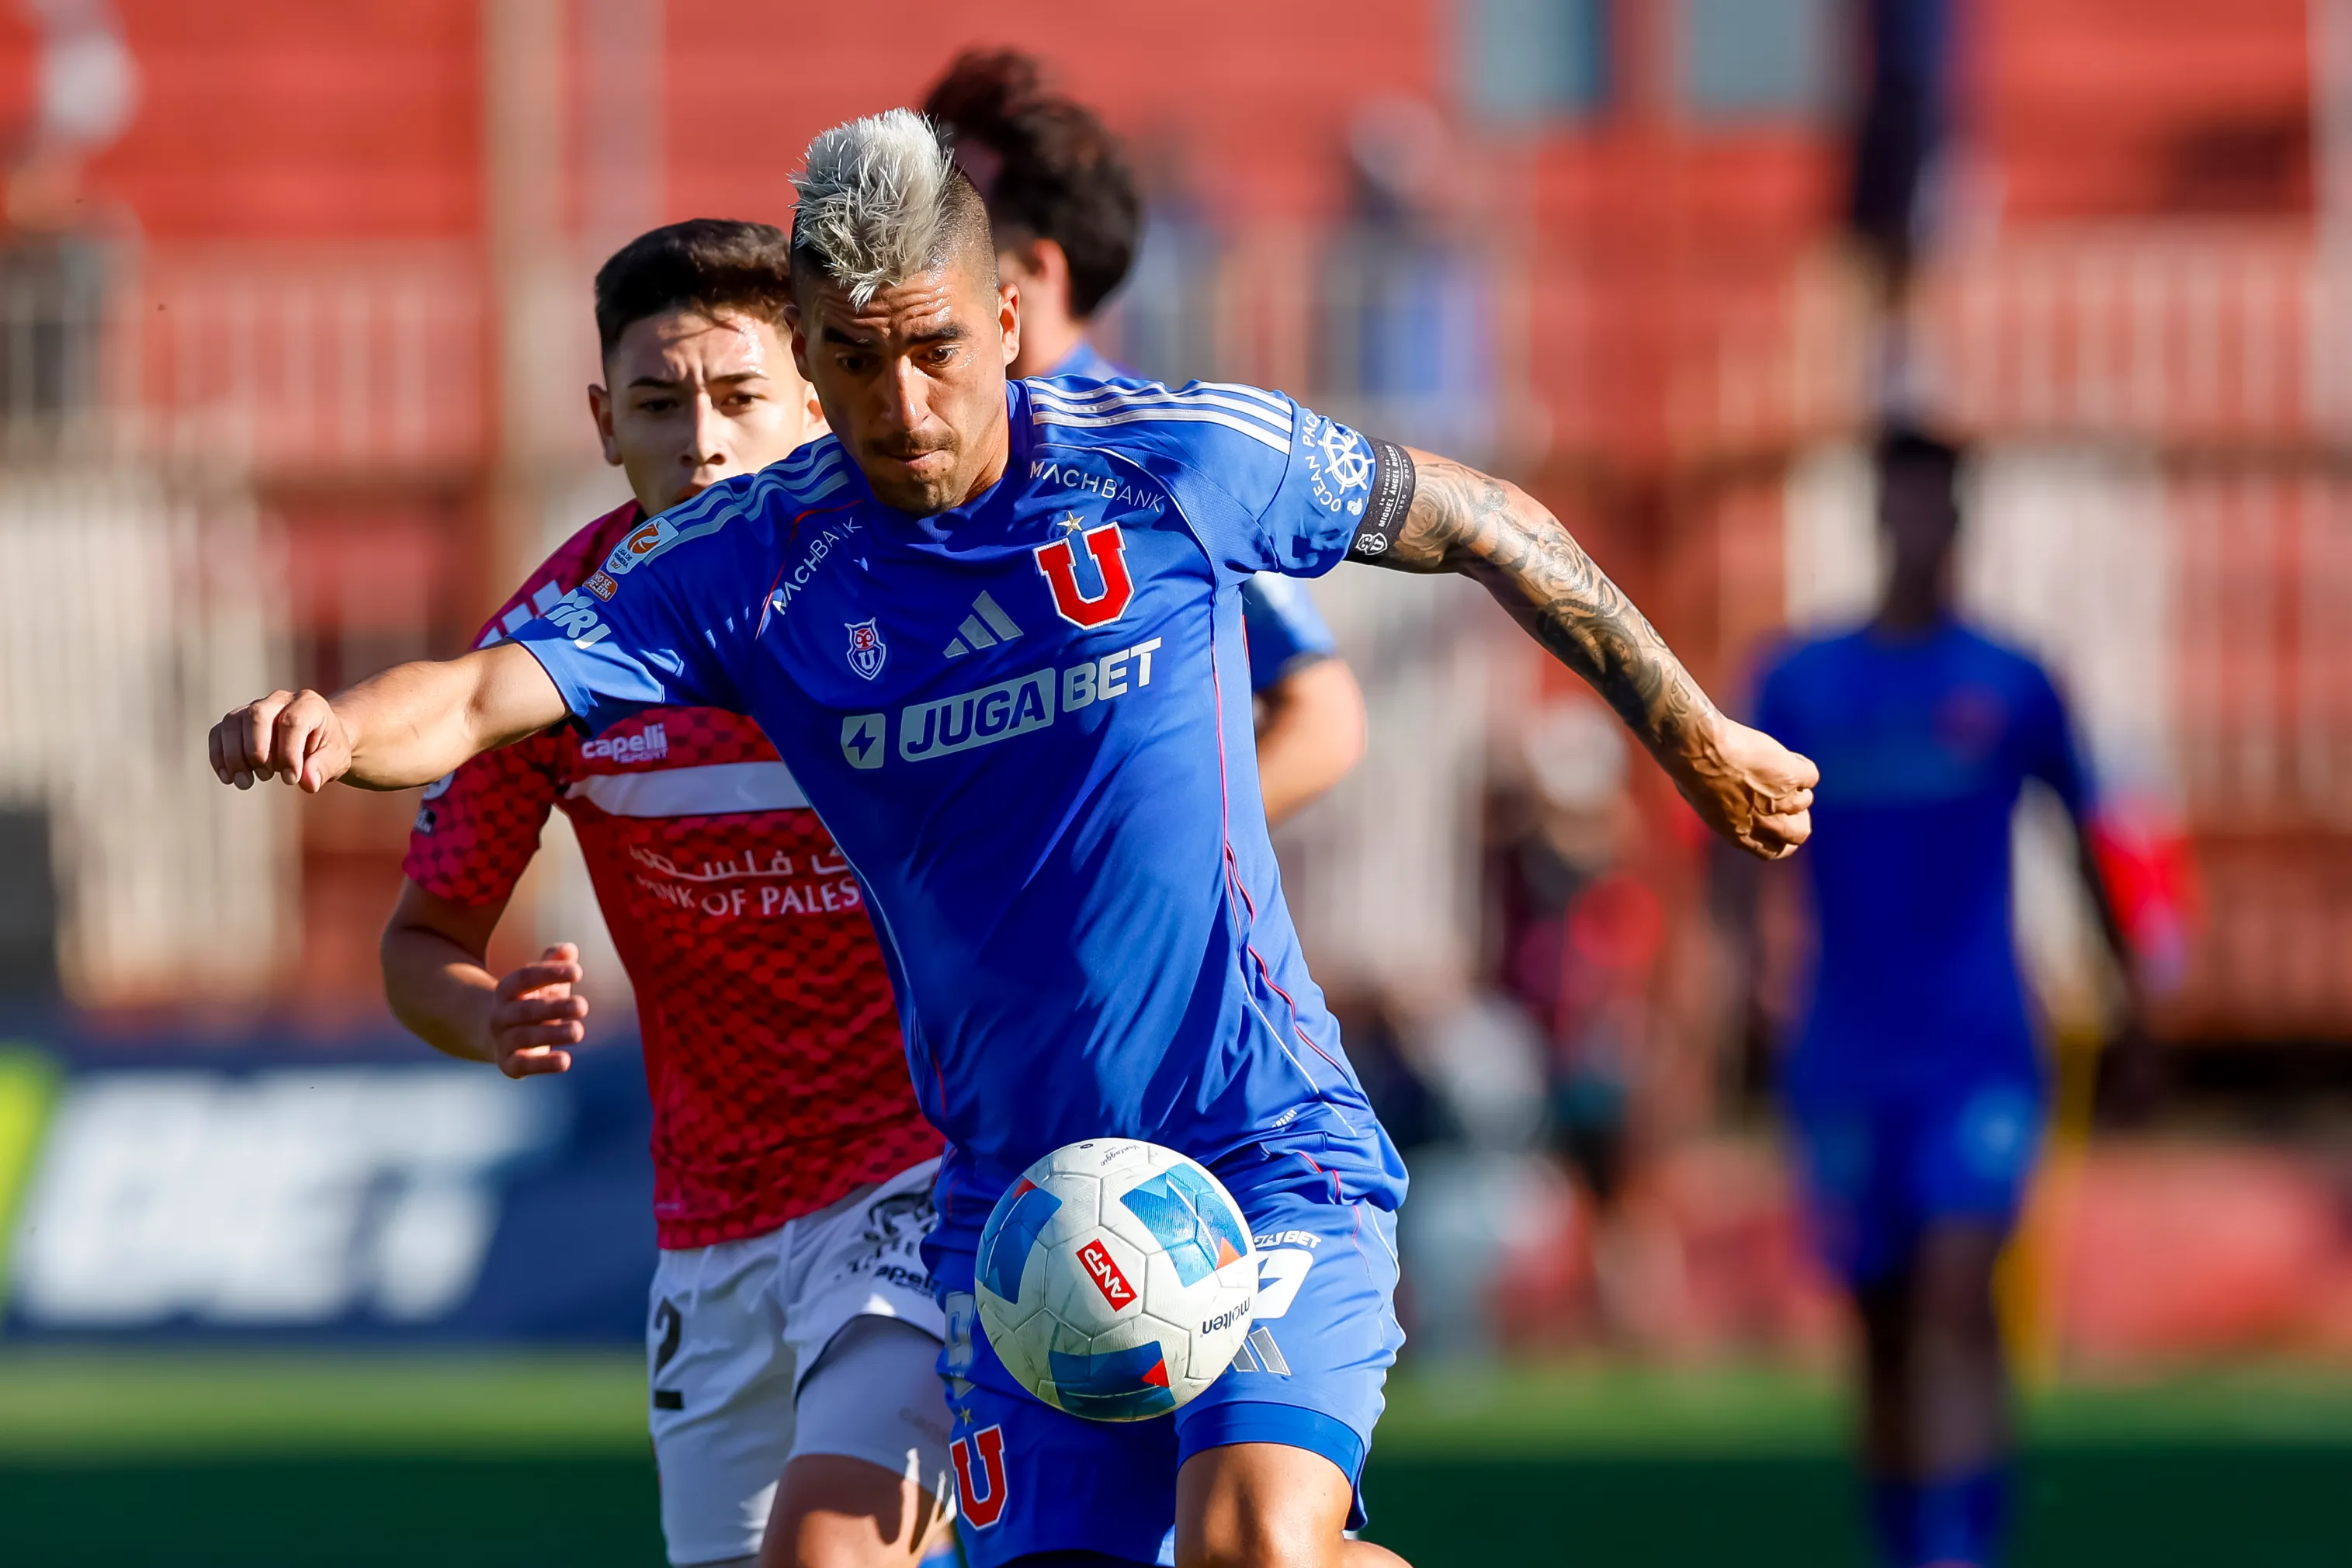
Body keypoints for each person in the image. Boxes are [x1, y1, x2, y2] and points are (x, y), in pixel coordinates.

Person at [210, 112, 1816, 1568]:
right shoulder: (748, 560)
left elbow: (1481, 518)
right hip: (1016, 1199)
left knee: (1256, 1536)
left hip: (1260, 1146)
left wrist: (1693, 731)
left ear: (1001, 323)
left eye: (928, 352)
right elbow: (494, 683)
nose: (896, 406)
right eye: (849, 362)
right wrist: (344, 725)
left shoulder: (1169, 459)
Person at [376, 219, 955, 1568]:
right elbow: (422, 939)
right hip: (712, 1230)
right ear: (602, 422)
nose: (701, 438)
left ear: (813, 397)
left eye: (741, 396)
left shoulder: (926, 602)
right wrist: (484, 1017)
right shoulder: (553, 648)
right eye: (658, 402)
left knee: (831, 1553)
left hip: (928, 1176)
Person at [1750, 428, 2135, 1568]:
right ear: (1877, 521)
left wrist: (2134, 1006)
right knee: (1878, 1324)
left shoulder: (2011, 682)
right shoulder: (1800, 681)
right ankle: (1908, 1534)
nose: (1914, 531)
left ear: (1957, 523)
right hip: (1844, 1050)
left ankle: (1957, 1545)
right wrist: (1731, 988)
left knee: (1950, 1295)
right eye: (1895, 508)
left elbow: (2087, 836)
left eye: (1933, 509)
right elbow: (1730, 850)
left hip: (1974, 1050)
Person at [924, 48, 1365, 824]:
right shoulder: (868, 449)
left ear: (1030, 271)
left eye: (947, 218)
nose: (905, 246)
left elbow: (1325, 717)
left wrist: (1150, 860)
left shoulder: (1164, 461)